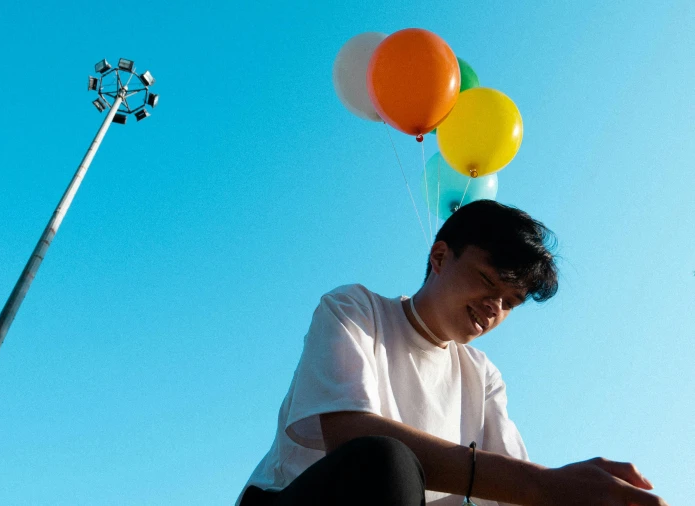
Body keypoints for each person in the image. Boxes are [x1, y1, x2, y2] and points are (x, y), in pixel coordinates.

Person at [236, 200, 667, 506]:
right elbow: (351, 436)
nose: (494, 307)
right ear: (440, 256)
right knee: (386, 463)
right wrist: (543, 485)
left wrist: (572, 491)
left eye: (511, 303)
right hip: (298, 499)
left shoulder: (482, 375)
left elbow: (517, 489)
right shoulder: (355, 308)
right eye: (488, 281)